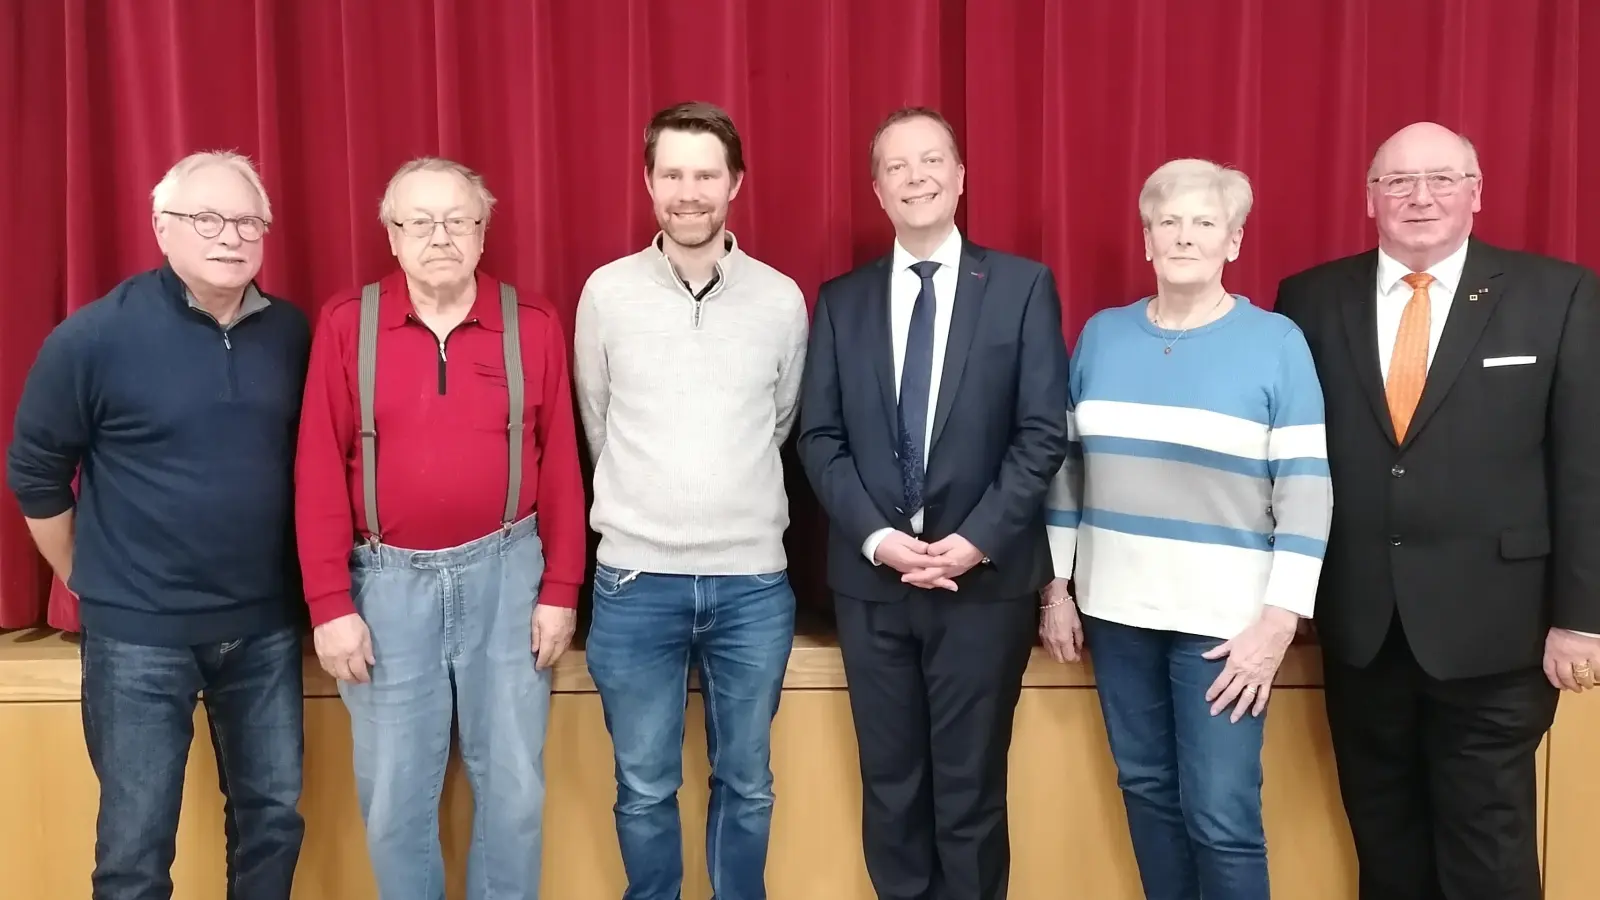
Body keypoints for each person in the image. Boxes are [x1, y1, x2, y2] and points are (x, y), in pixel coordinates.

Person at [1274, 121, 1600, 900]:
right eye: (1398, 181)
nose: (1420, 197)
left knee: (1486, 850)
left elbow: (1585, 465)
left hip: (1502, 631)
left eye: (1443, 179)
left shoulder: (1559, 295)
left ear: (1477, 192)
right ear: (1369, 198)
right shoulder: (1309, 299)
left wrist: (1581, 617)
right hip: (1360, 628)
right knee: (1385, 844)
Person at [5, 150, 309, 898]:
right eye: (206, 218)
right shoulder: (93, 337)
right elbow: (34, 471)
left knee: (272, 822)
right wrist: (84, 573)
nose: (229, 235)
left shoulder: (295, 334)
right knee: (136, 848)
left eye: (247, 220)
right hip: (137, 639)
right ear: (161, 228)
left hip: (265, 630)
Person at [795, 106, 1070, 900]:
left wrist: (977, 539)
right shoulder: (842, 300)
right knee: (890, 790)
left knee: (971, 794)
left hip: (983, 587)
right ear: (876, 190)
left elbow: (1040, 432)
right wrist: (878, 538)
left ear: (960, 177)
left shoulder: (1021, 287)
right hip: (874, 586)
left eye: (931, 161)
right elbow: (819, 437)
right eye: (896, 167)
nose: (916, 178)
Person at [292, 157, 586, 899]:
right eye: (419, 222)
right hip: (385, 586)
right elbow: (318, 472)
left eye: (458, 220)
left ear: (484, 233)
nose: (440, 236)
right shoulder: (344, 324)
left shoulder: (536, 322)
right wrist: (329, 604)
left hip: (510, 577)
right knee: (394, 801)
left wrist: (560, 589)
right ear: (390, 236)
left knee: (515, 792)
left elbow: (561, 473)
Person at [1041, 159, 1332, 899]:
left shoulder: (1277, 343)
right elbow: (1067, 470)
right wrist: (1059, 585)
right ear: (1146, 240)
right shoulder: (1102, 337)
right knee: (1144, 791)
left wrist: (1278, 621)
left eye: (1205, 222)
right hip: (1116, 614)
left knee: (1220, 815)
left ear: (1234, 241)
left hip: (1226, 629)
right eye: (1168, 221)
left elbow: (1306, 491)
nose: (1184, 235)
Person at [573, 101, 808, 900]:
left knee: (748, 783)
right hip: (635, 583)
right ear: (648, 182)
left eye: (706, 174)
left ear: (735, 183)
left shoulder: (781, 300)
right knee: (643, 787)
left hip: (751, 585)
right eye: (672, 173)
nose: (689, 190)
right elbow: (597, 424)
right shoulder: (605, 293)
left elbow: (779, 424)